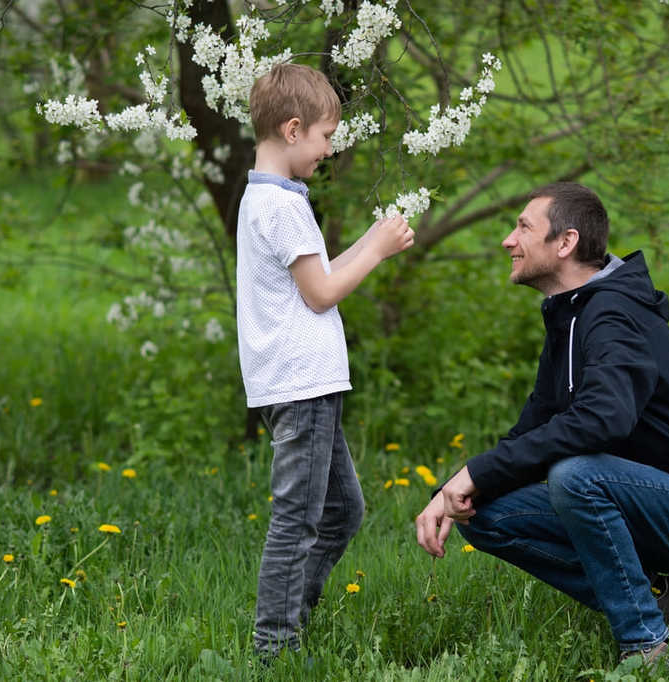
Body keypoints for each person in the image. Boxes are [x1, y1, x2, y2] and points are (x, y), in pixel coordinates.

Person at [415, 182, 669, 667]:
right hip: (644, 499)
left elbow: (602, 421)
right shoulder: (570, 318)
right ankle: (668, 600)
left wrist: (477, 470)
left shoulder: (612, 313)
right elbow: (534, 428)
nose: (509, 241)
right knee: (482, 510)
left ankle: (644, 646)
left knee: (576, 475)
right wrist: (458, 485)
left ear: (566, 242)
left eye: (523, 227)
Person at [237, 63, 415, 659]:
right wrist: (380, 252)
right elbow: (322, 292)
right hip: (301, 383)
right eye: (325, 136)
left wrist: (371, 241)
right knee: (299, 519)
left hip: (297, 383)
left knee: (341, 510)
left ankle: (291, 624)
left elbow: (315, 273)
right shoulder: (282, 206)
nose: (329, 149)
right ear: (293, 130)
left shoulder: (269, 197)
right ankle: (276, 647)